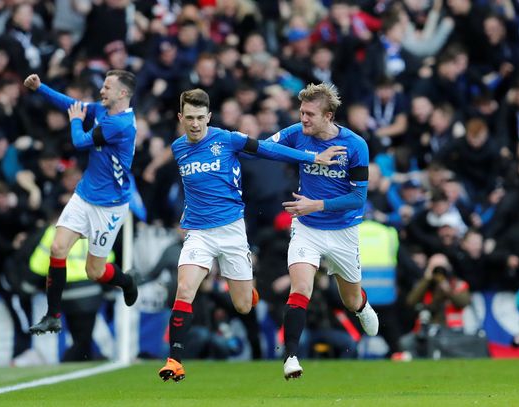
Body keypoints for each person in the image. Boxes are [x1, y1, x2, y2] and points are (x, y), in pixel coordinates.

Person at [158, 88, 344, 382]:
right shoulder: (178, 148)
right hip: (198, 233)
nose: (194, 124)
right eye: (189, 118)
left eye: (199, 118)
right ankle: (174, 360)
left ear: (208, 117)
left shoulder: (228, 140)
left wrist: (311, 157)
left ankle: (247, 288)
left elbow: (270, 150)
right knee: (185, 290)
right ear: (181, 117)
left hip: (232, 231)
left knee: (243, 305)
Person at [271, 83, 378, 379]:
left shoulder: (355, 145)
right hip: (307, 228)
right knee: (301, 288)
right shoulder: (296, 134)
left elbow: (358, 199)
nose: (303, 118)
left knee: (350, 300)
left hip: (343, 231)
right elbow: (266, 149)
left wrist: (316, 204)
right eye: (301, 112)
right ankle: (291, 357)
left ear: (328, 116)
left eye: (310, 114)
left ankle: (362, 305)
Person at [22, 70, 138, 334]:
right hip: (84, 195)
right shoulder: (102, 110)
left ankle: (127, 281)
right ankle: (52, 315)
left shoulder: (120, 125)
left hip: (109, 206)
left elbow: (80, 141)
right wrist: (40, 88)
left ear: (122, 93)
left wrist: (75, 121)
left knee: (94, 271)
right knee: (57, 248)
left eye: (107, 87)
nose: (101, 91)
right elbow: (71, 104)